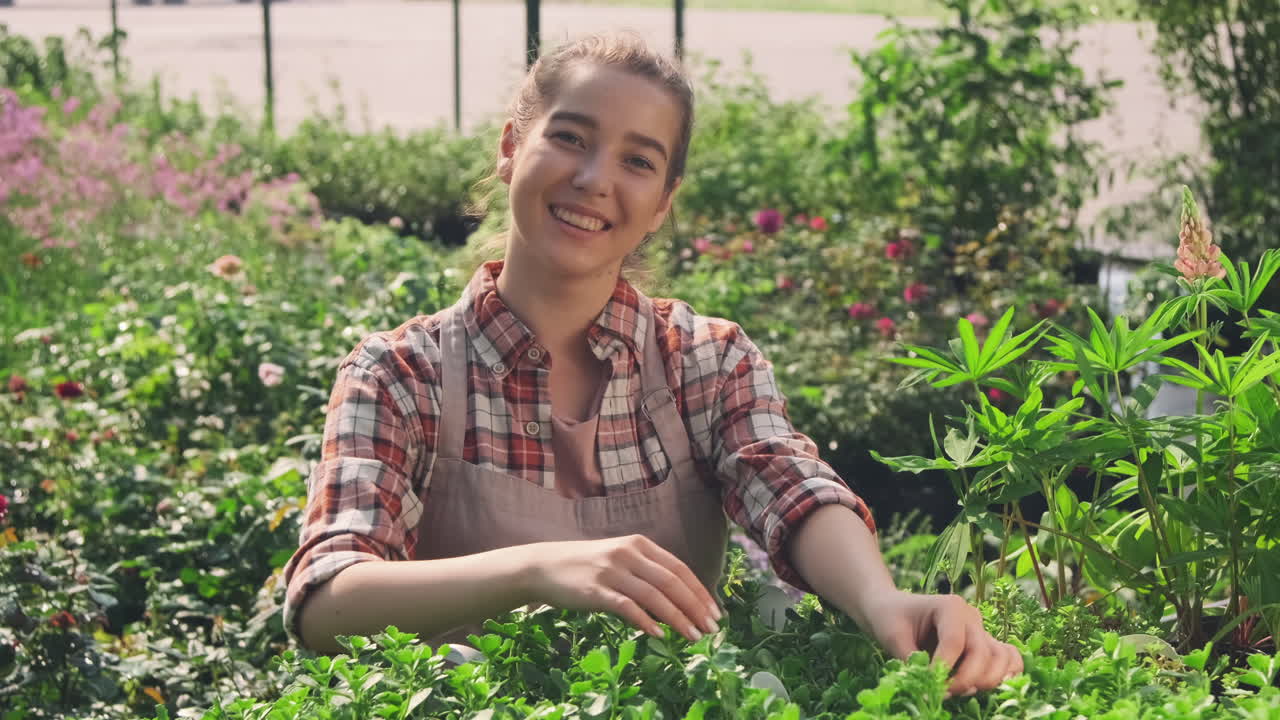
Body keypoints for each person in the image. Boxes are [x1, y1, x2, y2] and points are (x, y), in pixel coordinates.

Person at [282, 31, 1023, 698]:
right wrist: (537, 570)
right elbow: (325, 601)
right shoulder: (400, 374)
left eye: (638, 160)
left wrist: (881, 600)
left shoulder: (702, 359)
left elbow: (792, 491)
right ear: (512, 147)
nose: (595, 179)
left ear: (664, 201)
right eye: (570, 138)